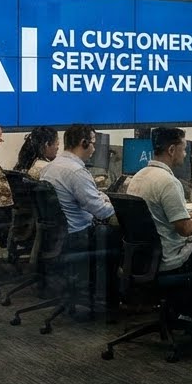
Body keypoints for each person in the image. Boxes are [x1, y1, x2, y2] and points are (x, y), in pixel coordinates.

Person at [130, 127, 192, 312]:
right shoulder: (168, 182)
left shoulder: (139, 177)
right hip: (171, 259)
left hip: (145, 259)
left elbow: (160, 215)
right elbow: (185, 229)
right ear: (172, 150)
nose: (186, 153)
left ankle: (188, 309)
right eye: (184, 148)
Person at [40, 124, 120, 310]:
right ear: (83, 143)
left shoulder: (50, 168)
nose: (94, 148)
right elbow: (100, 211)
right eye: (92, 143)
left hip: (59, 236)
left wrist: (101, 197)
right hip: (78, 236)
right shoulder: (76, 172)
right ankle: (113, 303)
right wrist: (117, 206)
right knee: (121, 236)